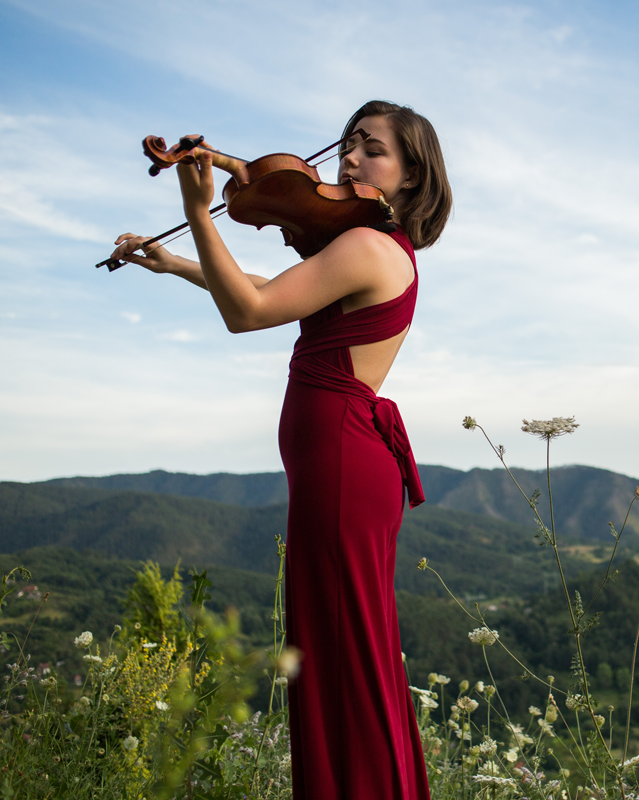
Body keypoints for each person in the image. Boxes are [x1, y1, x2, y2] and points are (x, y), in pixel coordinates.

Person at [109, 100, 452, 800]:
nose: (349, 159)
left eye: (373, 149)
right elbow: (266, 288)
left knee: (343, 658)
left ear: (413, 180)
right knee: (345, 655)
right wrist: (176, 262)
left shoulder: (366, 248)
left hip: (343, 471)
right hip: (344, 469)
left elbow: (249, 314)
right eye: (348, 143)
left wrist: (200, 209)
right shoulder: (363, 249)